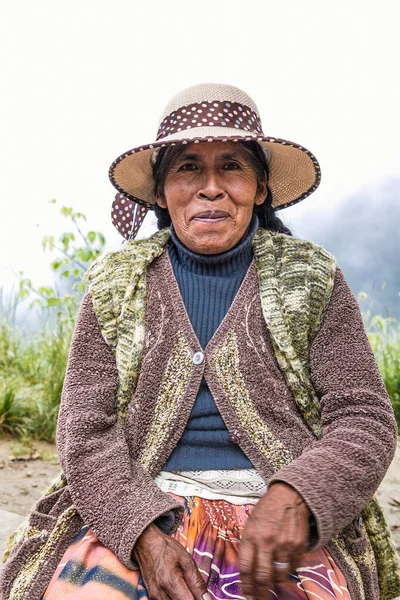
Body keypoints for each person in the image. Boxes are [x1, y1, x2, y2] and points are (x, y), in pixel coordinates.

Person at [1, 83, 399, 600]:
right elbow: (85, 431)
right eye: (188, 167)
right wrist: (142, 533)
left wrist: (297, 494)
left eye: (232, 165)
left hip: (276, 518)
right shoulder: (117, 283)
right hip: (138, 506)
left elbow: (364, 418)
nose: (211, 187)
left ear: (260, 187)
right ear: (162, 192)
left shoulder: (311, 277)